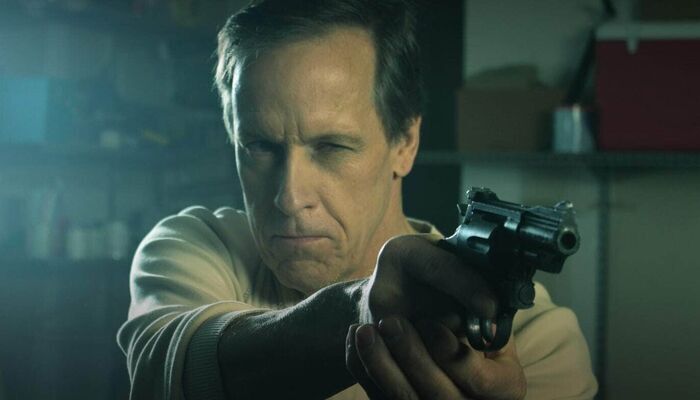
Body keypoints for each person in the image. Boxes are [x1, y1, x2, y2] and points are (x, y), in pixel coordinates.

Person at [117, 1, 598, 399]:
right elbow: (179, 377)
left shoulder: (538, 339)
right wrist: (364, 310)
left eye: (332, 147)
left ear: (405, 142)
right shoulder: (194, 249)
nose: (289, 197)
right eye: (260, 147)